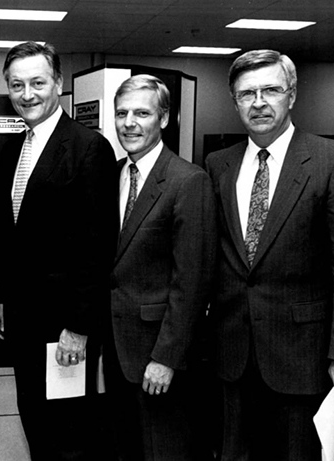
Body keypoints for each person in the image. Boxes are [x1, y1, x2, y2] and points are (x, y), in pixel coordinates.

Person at [205, 49, 334, 461]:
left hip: (301, 356)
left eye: (270, 90)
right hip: (230, 355)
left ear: (292, 95)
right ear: (234, 101)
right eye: (246, 94)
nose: (258, 102)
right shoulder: (217, 165)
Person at [0, 41, 117, 460]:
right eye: (16, 84)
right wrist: (4, 301)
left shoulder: (89, 148)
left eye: (37, 83)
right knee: (34, 421)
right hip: (24, 323)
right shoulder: (10, 150)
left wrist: (78, 327)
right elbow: (10, 237)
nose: (27, 94)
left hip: (65, 329)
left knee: (70, 433)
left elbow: (97, 247)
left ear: (58, 85)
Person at [104, 74, 217, 461]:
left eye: (142, 112)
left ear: (164, 119)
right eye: (122, 113)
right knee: (126, 447)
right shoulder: (112, 174)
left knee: (163, 450)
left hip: (158, 356)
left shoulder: (188, 181)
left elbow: (192, 281)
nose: (129, 122)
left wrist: (166, 358)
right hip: (116, 352)